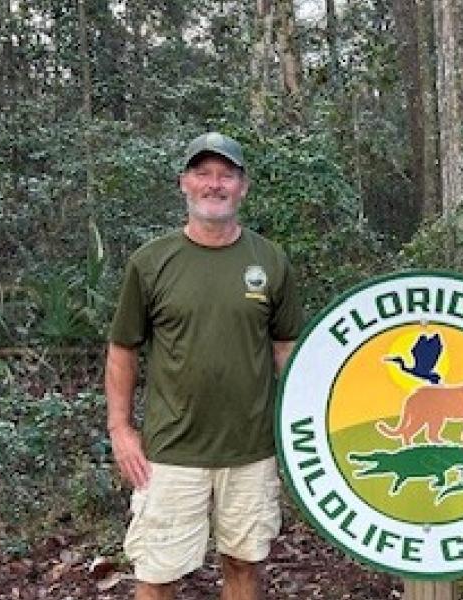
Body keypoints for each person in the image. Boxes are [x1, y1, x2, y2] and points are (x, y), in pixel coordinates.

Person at [104, 131, 303, 600]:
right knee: (158, 574)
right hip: (171, 452)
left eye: (226, 175)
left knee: (244, 565)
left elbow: (287, 349)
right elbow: (123, 349)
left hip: (251, 449)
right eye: (203, 173)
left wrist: (301, 430)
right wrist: (120, 429)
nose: (214, 184)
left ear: (243, 187)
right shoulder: (151, 262)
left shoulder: (270, 261)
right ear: (184, 183)